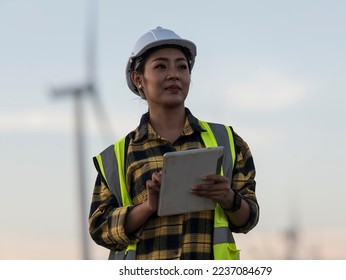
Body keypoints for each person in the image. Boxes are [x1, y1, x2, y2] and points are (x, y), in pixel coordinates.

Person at [88, 26, 259, 260]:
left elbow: (249, 218)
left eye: (182, 66)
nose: (174, 74)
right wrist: (148, 206)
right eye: (161, 66)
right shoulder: (117, 156)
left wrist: (228, 198)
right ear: (138, 79)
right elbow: (100, 229)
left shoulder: (228, 141)